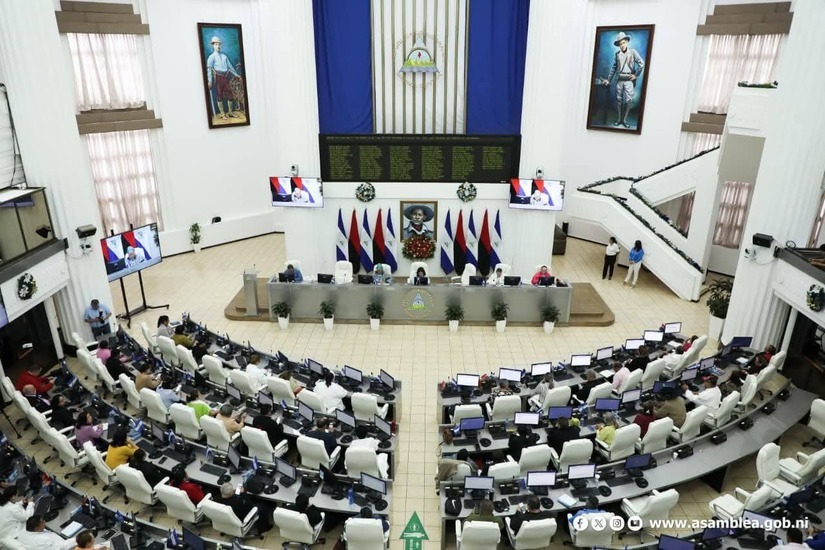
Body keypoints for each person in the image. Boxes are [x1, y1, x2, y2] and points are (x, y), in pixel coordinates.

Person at [599, 31, 645, 128]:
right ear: (619, 45)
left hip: (629, 80)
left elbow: (641, 63)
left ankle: (625, 120)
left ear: (627, 42)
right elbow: (613, 68)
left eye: (623, 43)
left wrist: (636, 75)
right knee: (618, 100)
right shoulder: (617, 54)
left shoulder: (632, 52)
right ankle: (619, 119)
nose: (622, 45)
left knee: (629, 100)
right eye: (620, 44)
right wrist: (608, 79)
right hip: (619, 80)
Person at [206, 36, 241, 120]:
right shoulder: (211, 57)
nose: (218, 46)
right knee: (219, 95)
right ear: (213, 46)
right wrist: (210, 81)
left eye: (219, 44)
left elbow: (230, 67)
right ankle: (222, 114)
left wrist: (236, 75)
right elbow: (209, 69)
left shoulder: (224, 56)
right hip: (218, 77)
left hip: (226, 77)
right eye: (216, 44)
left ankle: (230, 112)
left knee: (230, 95)